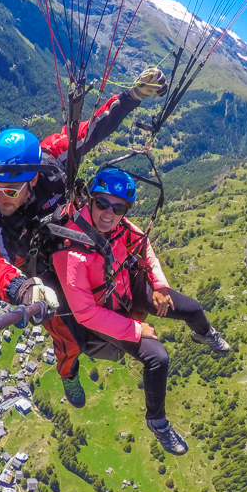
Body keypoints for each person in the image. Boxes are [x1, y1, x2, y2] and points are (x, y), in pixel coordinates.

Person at [0, 69, 167, 372]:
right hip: (36, 263)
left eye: (10, 190)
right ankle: (68, 371)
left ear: (33, 178)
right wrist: (22, 288)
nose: (0, 196)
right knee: (66, 329)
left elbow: (89, 131)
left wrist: (131, 97)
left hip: (65, 233)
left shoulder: (51, 163)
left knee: (115, 270)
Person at [52, 168, 230, 455]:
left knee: (193, 308)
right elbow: (85, 313)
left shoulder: (121, 228)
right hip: (103, 314)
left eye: (118, 207)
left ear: (125, 210)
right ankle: (158, 422)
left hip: (127, 289)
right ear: (90, 202)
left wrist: (159, 285)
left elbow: (144, 246)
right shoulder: (72, 251)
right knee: (158, 358)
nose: (108, 213)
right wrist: (135, 329)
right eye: (102, 204)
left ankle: (205, 334)